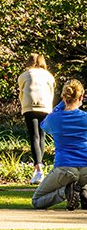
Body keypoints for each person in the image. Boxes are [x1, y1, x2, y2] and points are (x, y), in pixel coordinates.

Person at [32, 79, 87, 210]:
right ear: (81, 97)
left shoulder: (53, 119)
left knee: (37, 200)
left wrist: (61, 105)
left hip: (65, 169)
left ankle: (65, 192)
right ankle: (82, 191)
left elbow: (43, 126)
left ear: (63, 97)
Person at [17, 53, 55, 184]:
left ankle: (38, 169)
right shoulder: (48, 76)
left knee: (34, 136)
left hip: (30, 107)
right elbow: (51, 91)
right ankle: (39, 167)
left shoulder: (25, 74)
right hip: (45, 107)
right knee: (42, 136)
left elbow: (21, 90)